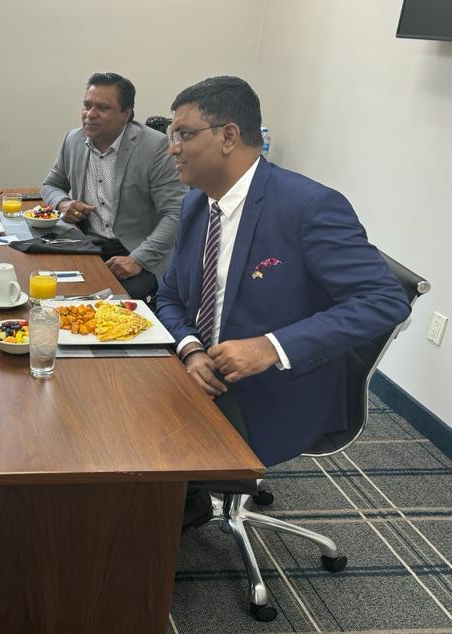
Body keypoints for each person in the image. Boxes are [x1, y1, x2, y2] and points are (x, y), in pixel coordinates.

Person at [154, 76, 410, 527]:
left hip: (278, 391)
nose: (172, 147)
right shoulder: (197, 204)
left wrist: (270, 346)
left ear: (228, 136)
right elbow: (171, 296)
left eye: (184, 134)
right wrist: (191, 348)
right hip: (203, 372)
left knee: (139, 448)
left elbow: (384, 301)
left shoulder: (308, 207)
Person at [41, 72, 187, 299]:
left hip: (138, 251)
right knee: (49, 288)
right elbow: (50, 185)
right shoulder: (73, 140)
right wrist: (63, 203)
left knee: (104, 308)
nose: (90, 114)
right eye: (86, 106)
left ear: (125, 114)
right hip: (88, 244)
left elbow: (176, 213)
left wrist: (138, 259)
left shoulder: (154, 147)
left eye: (102, 108)